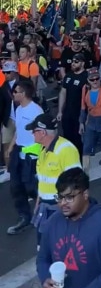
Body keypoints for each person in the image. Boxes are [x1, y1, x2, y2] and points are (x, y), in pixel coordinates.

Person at [37, 168, 101, 288]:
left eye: (69, 197)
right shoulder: (53, 222)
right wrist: (46, 279)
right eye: (60, 197)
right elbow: (42, 259)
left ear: (85, 194)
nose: (62, 203)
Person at [26, 113, 81, 243]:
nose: (32, 134)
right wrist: (38, 203)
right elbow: (43, 180)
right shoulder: (43, 150)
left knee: (60, 247)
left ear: (42, 132)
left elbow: (76, 183)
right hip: (45, 207)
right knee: (43, 247)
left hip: (59, 207)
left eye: (34, 131)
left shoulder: (66, 150)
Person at [7, 80, 43, 234]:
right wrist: (10, 147)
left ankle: (44, 213)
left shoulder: (36, 110)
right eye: (14, 91)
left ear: (25, 93)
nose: (14, 94)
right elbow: (18, 130)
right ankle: (24, 217)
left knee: (32, 187)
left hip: (32, 155)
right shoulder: (18, 109)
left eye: (17, 91)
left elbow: (43, 133)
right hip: (18, 151)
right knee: (16, 186)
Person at [57, 52, 89, 159]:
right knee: (67, 137)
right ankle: (69, 159)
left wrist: (86, 116)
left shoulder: (86, 77)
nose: (73, 64)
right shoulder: (69, 75)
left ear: (83, 63)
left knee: (78, 139)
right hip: (67, 112)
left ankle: (78, 161)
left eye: (76, 62)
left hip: (79, 112)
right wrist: (60, 111)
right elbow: (63, 92)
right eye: (73, 61)